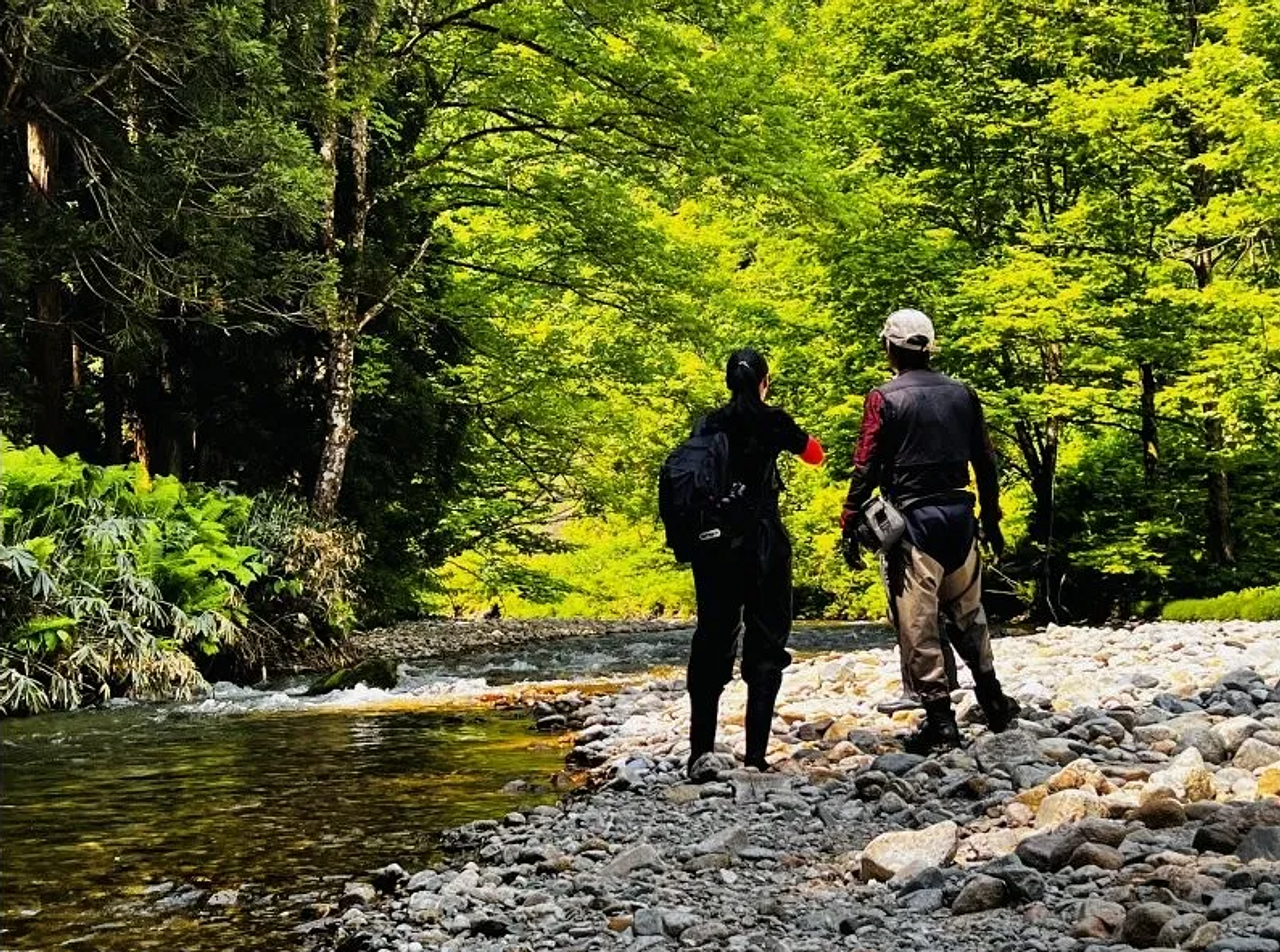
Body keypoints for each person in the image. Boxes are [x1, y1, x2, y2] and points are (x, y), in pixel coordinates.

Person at [840, 308, 1019, 753]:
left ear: (890, 347)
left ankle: (941, 722)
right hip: (961, 518)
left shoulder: (883, 398)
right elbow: (986, 461)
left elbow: (866, 464)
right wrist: (993, 520)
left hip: (914, 525)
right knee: (969, 616)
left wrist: (849, 520)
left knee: (917, 625)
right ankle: (993, 700)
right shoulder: (964, 394)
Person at [686, 347, 824, 779]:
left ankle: (700, 753)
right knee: (766, 644)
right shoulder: (774, 421)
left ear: (728, 382)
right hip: (765, 544)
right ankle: (756, 756)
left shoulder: (707, 423)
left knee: (712, 639)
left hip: (715, 548)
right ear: (764, 382)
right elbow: (816, 455)